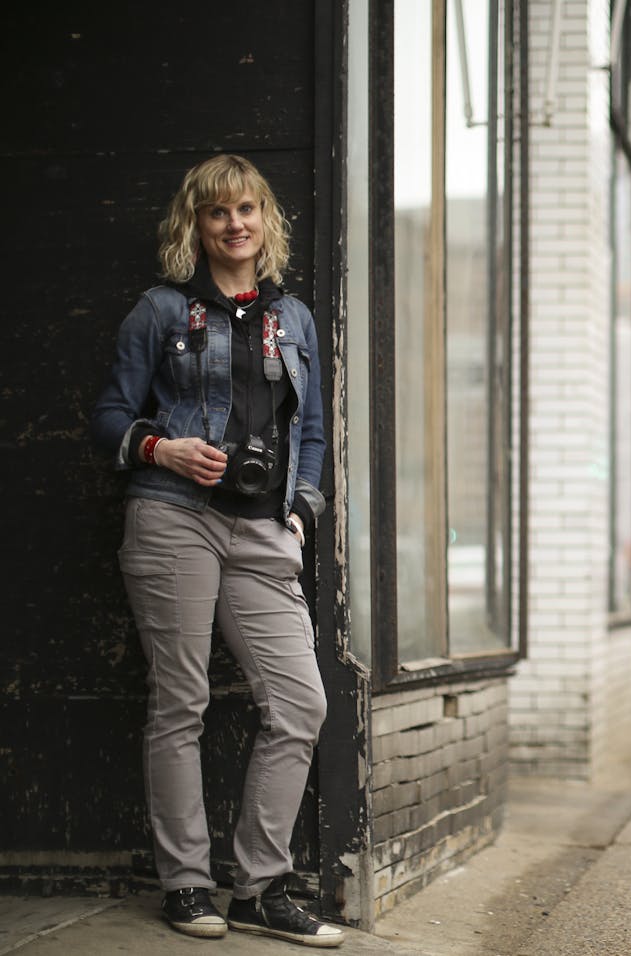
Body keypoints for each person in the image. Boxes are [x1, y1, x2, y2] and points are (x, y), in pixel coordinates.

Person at [91, 155, 343, 947]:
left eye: (247, 210)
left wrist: (301, 512)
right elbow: (109, 415)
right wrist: (161, 449)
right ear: (194, 226)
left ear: (265, 221)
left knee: (301, 704)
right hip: (174, 519)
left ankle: (259, 888)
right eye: (216, 213)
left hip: (265, 529)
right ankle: (187, 883)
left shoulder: (293, 318)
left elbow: (309, 433)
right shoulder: (161, 312)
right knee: (181, 702)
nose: (234, 224)